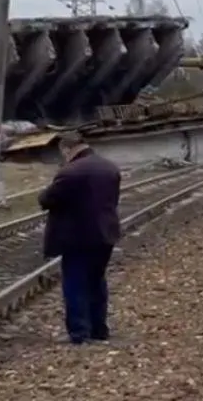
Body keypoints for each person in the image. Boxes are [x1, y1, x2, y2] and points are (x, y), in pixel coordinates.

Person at [39, 132, 122, 345]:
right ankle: (99, 329)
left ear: (67, 149)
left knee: (75, 283)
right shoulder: (110, 167)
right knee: (96, 281)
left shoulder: (70, 172)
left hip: (77, 236)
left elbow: (48, 199)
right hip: (106, 234)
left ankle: (79, 333)